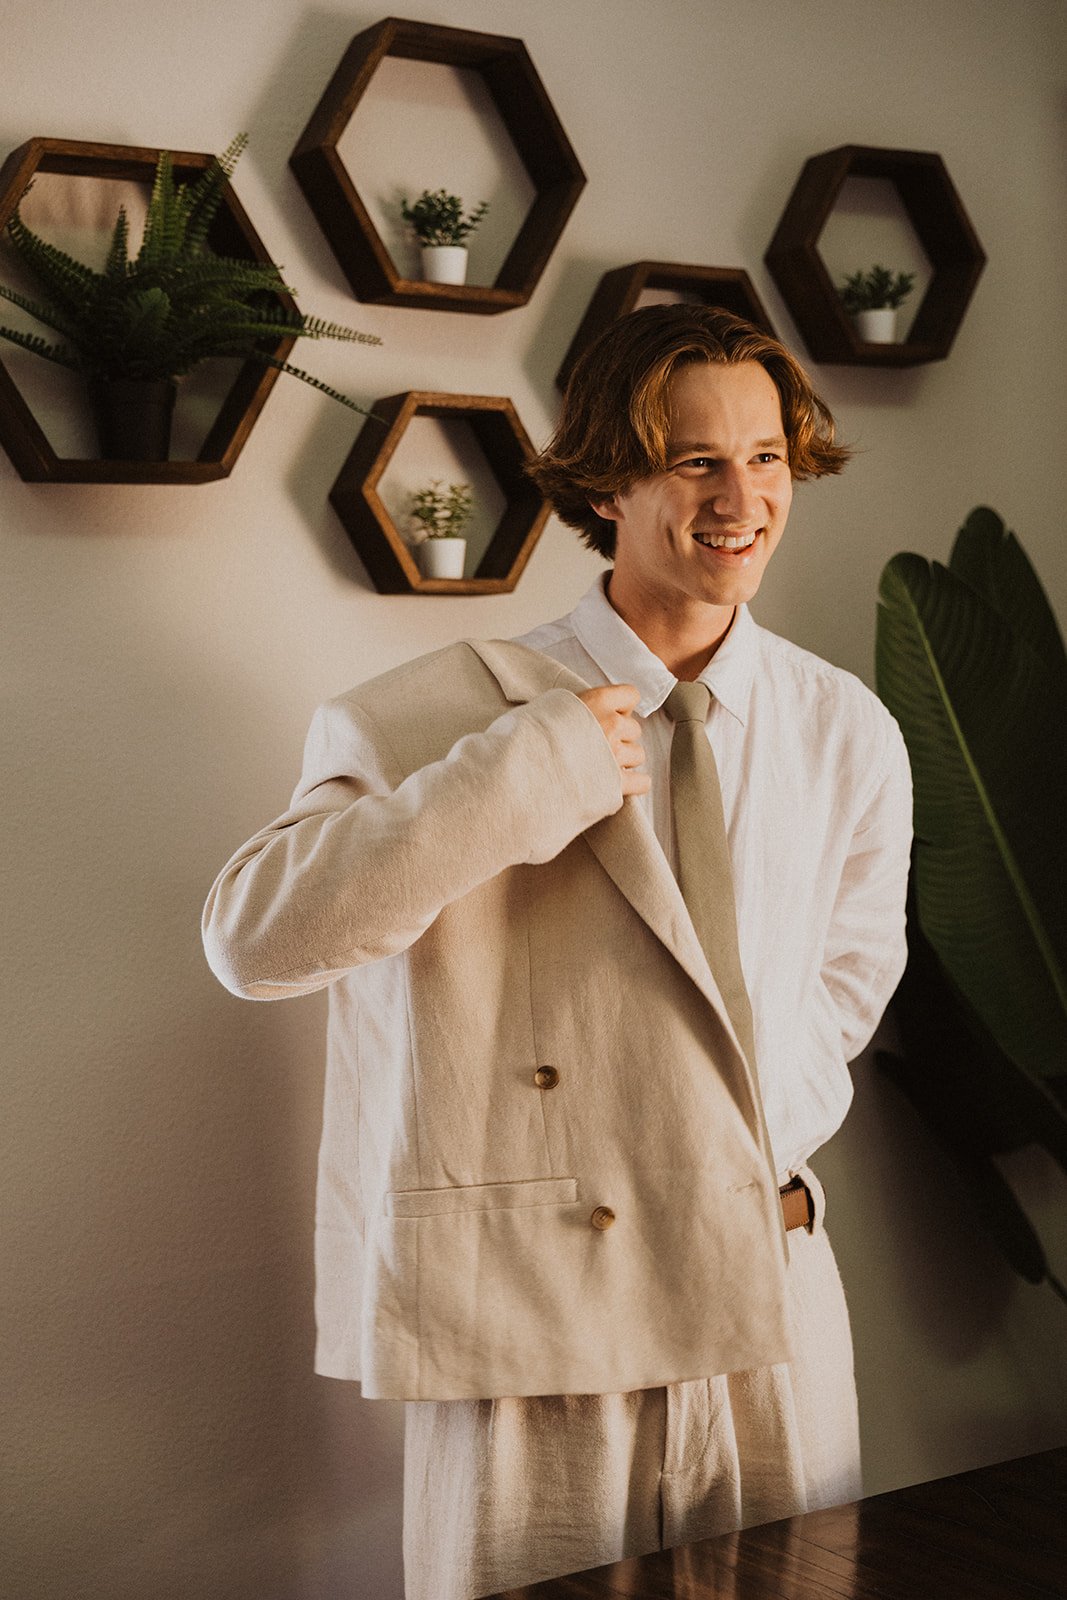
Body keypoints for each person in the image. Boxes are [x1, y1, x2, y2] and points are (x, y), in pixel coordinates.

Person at [202, 305, 913, 1600]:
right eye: (696, 460)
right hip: (537, 1318)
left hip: (771, 1291)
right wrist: (512, 783)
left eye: (766, 456)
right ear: (607, 475)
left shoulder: (843, 729)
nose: (742, 497)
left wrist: (713, 1166)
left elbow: (848, 987)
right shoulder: (448, 710)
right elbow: (257, 943)